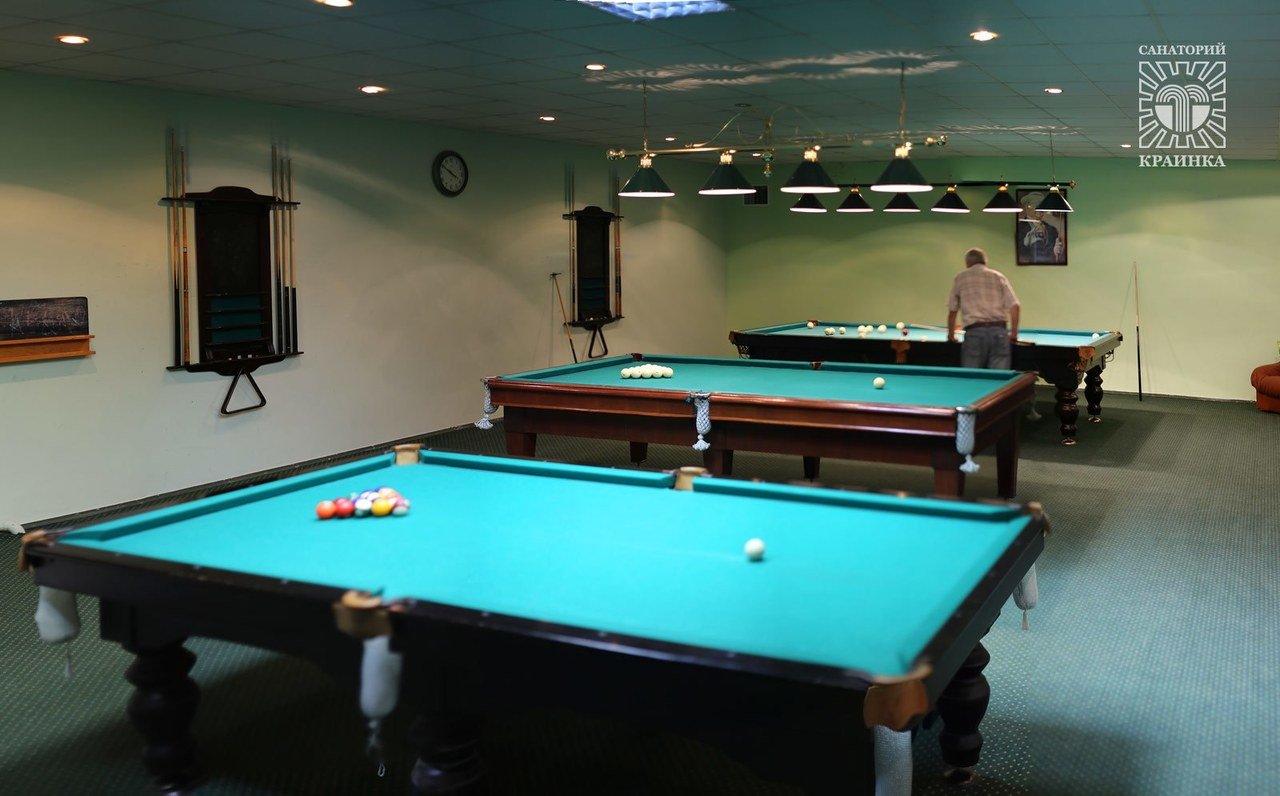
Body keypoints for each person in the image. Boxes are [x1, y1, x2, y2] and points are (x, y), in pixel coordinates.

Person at [945, 247, 1020, 369]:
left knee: (973, 377)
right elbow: (1015, 306)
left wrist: (951, 336)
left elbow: (952, 311)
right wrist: (1014, 333)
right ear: (985, 261)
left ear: (967, 263)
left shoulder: (961, 278)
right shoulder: (998, 276)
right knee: (998, 378)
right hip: (999, 333)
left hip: (974, 334)